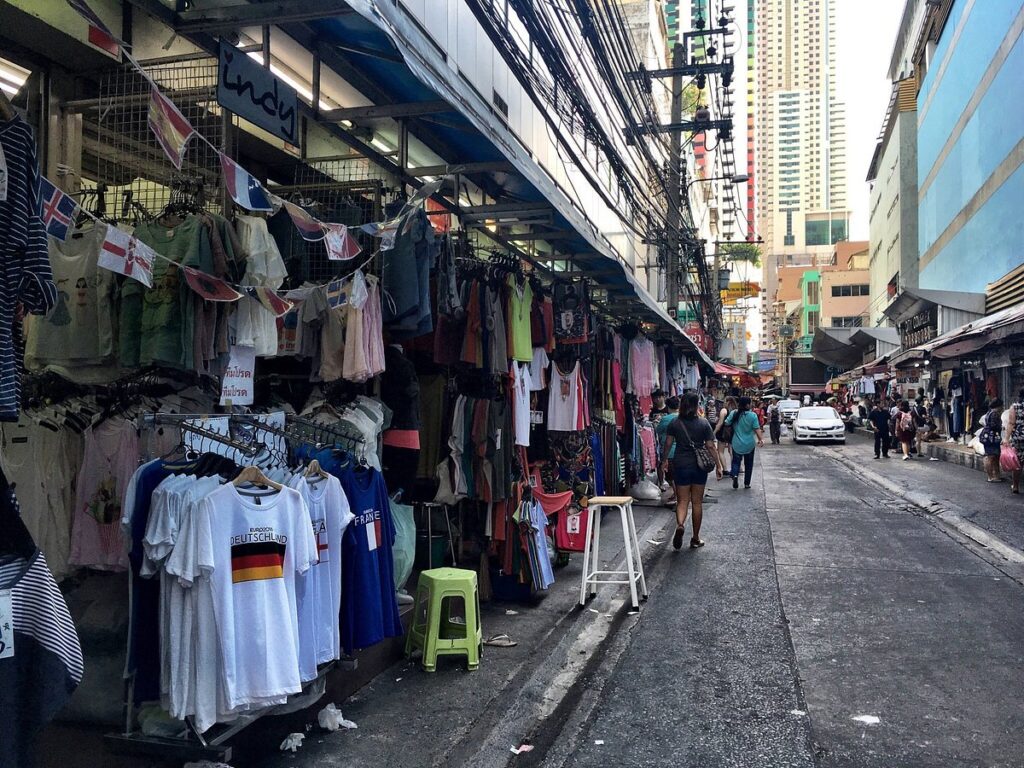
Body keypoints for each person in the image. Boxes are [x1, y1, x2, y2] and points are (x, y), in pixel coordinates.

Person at [661, 393, 723, 549]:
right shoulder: (703, 424)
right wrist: (719, 465)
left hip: (680, 464)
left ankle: (680, 524)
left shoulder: (675, 423)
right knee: (696, 502)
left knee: (682, 501)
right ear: (697, 406)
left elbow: (668, 444)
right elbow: (710, 446)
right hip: (699, 466)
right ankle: (695, 538)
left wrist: (663, 461)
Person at [724, 396, 765, 489]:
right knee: (749, 464)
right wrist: (761, 439)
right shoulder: (753, 415)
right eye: (750, 403)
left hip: (736, 443)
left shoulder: (734, 413)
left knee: (736, 462)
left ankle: (734, 474)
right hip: (749, 444)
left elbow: (726, 423)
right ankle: (747, 483)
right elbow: (757, 429)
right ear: (747, 405)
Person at [654, 395, 680, 493]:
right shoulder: (682, 417)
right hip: (681, 451)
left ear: (668, 407)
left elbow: (658, 431)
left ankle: (677, 496)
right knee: (677, 475)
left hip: (669, 452)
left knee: (670, 476)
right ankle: (676, 495)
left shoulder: (666, 419)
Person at [1005, 389, 1024, 494]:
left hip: (1019, 438)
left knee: (1018, 463)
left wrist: (1006, 439)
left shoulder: (1015, 407)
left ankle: (1015, 486)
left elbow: (1011, 423)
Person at [980, 399, 1004, 482]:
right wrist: (1002, 427)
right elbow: (994, 426)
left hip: (988, 437)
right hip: (991, 438)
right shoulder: (994, 414)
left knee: (993, 456)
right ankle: (991, 476)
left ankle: (995, 476)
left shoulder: (989, 412)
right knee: (991, 457)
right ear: (999, 406)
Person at [714, 396, 737, 469]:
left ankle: (725, 469)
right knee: (731, 451)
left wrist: (713, 433)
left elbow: (720, 423)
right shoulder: (735, 410)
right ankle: (736, 468)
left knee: (720, 451)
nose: (723, 403)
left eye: (724, 401)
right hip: (732, 432)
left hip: (723, 433)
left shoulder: (724, 410)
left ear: (728, 402)